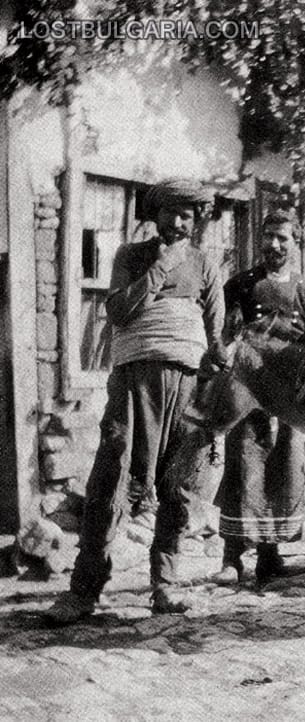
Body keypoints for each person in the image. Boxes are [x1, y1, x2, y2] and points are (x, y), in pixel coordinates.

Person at [43, 178, 225, 625]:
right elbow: (119, 311)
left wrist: (217, 363)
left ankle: (164, 584)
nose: (178, 222)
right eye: (170, 213)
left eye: (187, 215)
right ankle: (83, 592)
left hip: (186, 384)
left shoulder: (205, 265)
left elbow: (215, 331)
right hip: (133, 382)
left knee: (179, 485)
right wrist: (160, 267)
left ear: (196, 221)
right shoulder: (130, 256)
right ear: (155, 215)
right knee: (112, 476)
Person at [213, 211, 305, 584]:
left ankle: (270, 557)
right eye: (268, 237)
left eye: (283, 238)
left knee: (283, 470)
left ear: (295, 243)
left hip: (289, 395)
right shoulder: (241, 284)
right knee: (243, 467)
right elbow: (225, 336)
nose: (274, 245)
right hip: (248, 390)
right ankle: (232, 558)